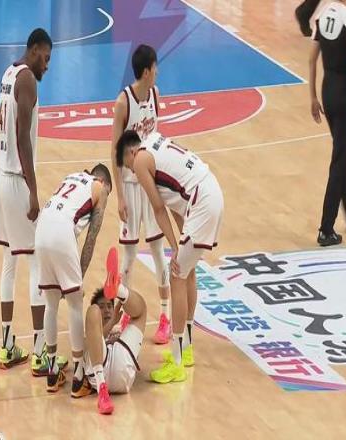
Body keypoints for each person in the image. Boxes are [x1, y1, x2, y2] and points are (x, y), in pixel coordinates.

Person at [116, 130, 223, 383]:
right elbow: (177, 202)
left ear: (131, 152)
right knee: (187, 271)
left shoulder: (141, 161)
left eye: (129, 167)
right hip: (208, 193)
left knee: (177, 275)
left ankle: (176, 362)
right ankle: (186, 349)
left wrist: (175, 247)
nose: (133, 173)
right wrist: (180, 243)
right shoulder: (155, 140)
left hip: (202, 202)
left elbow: (158, 209)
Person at [0, 28, 66, 373]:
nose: (47, 66)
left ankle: (7, 345)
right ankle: (40, 352)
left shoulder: (8, 73)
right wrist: (34, 189)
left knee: (10, 260)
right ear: (34, 49)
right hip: (16, 180)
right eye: (46, 58)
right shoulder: (27, 80)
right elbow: (22, 136)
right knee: (36, 260)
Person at [111, 44, 171, 345]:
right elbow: (115, 151)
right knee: (130, 254)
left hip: (151, 185)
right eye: (155, 67)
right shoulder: (124, 102)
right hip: (131, 186)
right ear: (146, 71)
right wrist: (120, 196)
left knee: (159, 250)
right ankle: (125, 311)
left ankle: (165, 316)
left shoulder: (156, 95)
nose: (157, 71)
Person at [35, 164, 112, 396]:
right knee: (75, 304)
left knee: (50, 304)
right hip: (61, 232)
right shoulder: (100, 188)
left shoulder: (71, 177)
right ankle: (79, 377)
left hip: (41, 230)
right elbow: (91, 239)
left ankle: (52, 372)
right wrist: (79, 277)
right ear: (104, 182)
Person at [309, 0, 346, 246]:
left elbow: (311, 60)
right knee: (339, 158)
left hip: (327, 90)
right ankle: (326, 228)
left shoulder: (321, 16)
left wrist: (312, 97)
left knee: (340, 150)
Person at [83, 247, 147, 415]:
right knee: (91, 312)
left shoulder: (121, 327)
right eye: (102, 306)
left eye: (109, 306)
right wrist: (111, 323)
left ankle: (118, 290)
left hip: (122, 364)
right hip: (100, 370)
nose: (106, 310)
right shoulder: (91, 327)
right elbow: (88, 344)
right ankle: (102, 391)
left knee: (141, 311)